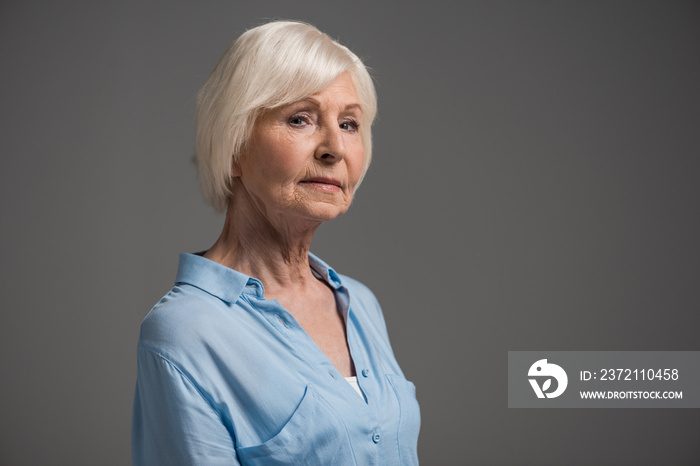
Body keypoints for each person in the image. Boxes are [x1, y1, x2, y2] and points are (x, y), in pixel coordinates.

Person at [132, 20, 420, 465]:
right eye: (300, 118)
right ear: (233, 147)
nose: (334, 148)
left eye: (348, 123)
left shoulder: (360, 304)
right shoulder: (185, 333)